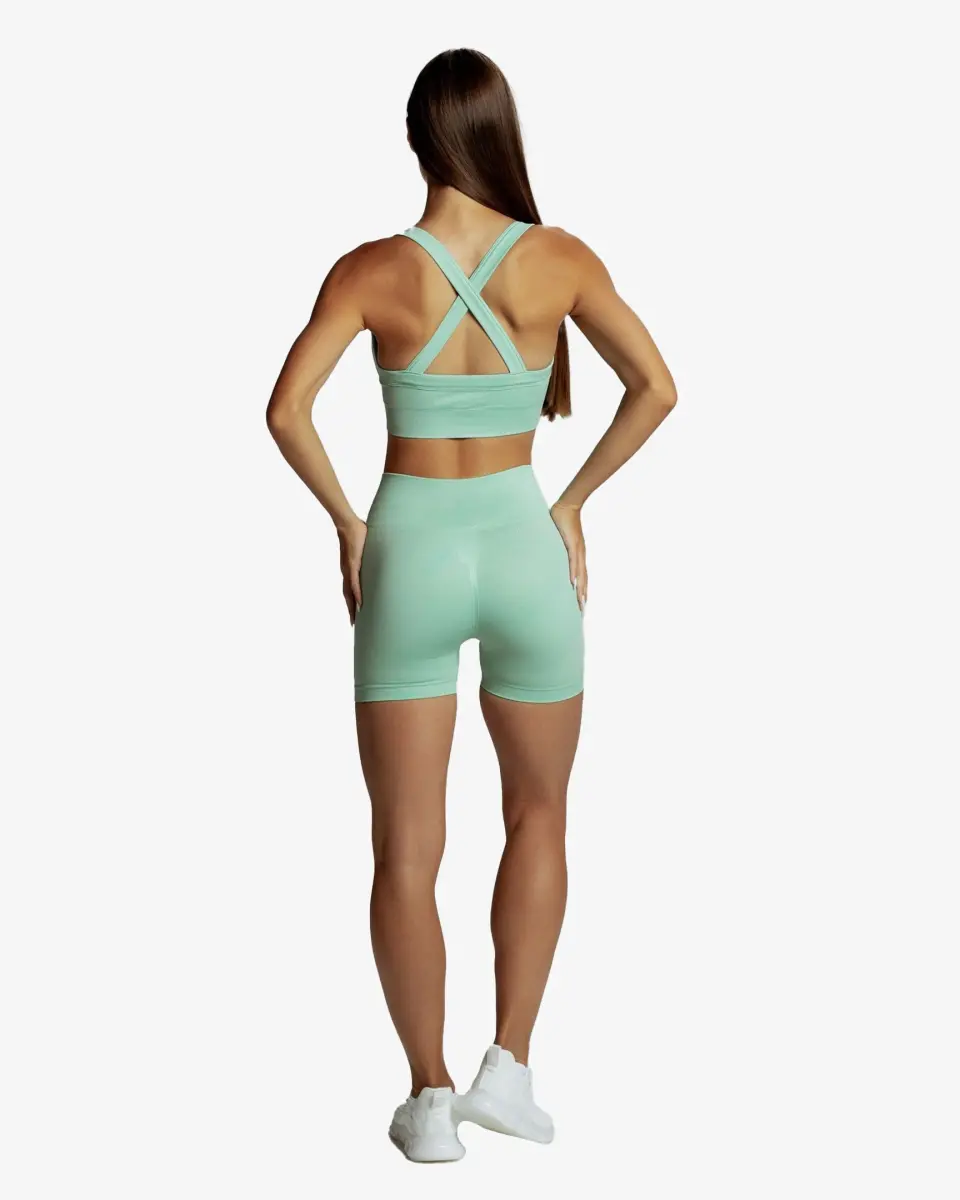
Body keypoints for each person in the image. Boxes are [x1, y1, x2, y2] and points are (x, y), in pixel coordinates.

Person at [266, 48, 677, 1163]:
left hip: (409, 549)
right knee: (539, 815)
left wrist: (349, 524)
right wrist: (573, 503)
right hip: (524, 546)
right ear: (501, 133)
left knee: (404, 846)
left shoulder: (369, 270)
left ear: (416, 139)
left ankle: (429, 1099)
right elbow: (658, 387)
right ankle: (510, 1067)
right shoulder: (560, 260)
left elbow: (288, 411)